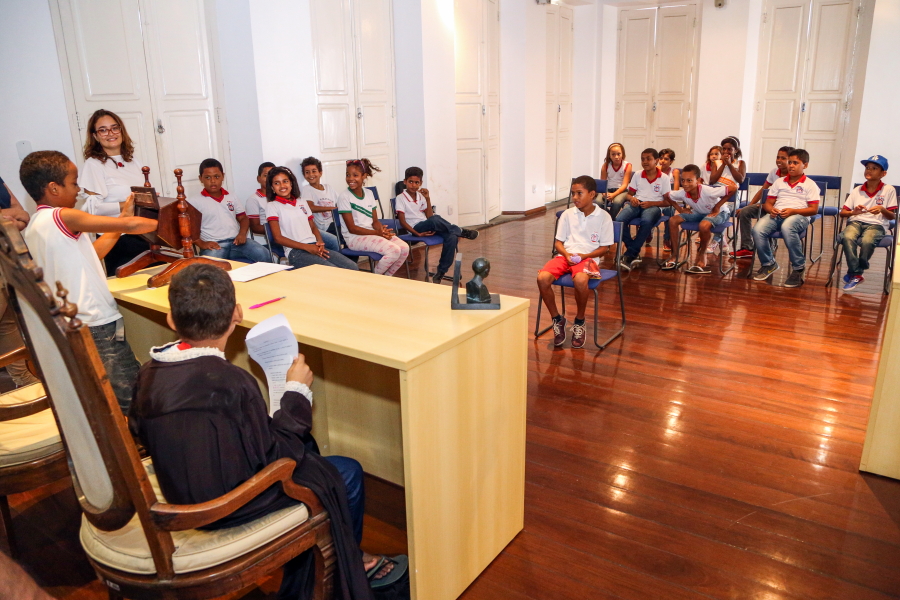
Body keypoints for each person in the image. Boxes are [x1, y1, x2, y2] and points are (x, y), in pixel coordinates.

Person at [129, 264, 406, 599]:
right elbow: (277, 457)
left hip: (178, 489)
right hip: (222, 507)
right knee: (346, 473)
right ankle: (340, 571)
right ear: (237, 314)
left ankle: (329, 559)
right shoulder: (233, 382)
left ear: (172, 320)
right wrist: (295, 393)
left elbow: (140, 430)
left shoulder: (149, 372)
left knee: (311, 452)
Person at [20, 150, 157, 410]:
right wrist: (166, 219)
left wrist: (123, 218)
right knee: (131, 392)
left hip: (81, 321)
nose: (79, 190)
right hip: (97, 321)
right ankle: (138, 433)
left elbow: (94, 253)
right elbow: (131, 227)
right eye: (73, 183)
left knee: (113, 386)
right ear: (54, 188)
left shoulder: (37, 224)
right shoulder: (64, 216)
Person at [536, 176, 614, 349]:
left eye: (579, 193)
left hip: (588, 258)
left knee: (580, 280)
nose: (575, 197)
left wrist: (585, 255)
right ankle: (557, 319)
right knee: (542, 278)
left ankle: (579, 321)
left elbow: (605, 248)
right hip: (565, 256)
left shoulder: (604, 217)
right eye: (573, 193)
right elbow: (558, 243)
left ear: (592, 194)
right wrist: (566, 254)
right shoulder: (567, 214)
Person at [78, 109, 151, 273]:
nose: (110, 133)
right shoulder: (93, 165)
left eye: (114, 128)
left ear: (121, 130)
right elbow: (92, 210)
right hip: (117, 237)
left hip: (142, 231)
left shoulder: (133, 161)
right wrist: (126, 205)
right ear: (95, 136)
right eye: (103, 130)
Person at [395, 167, 479, 283]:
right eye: (410, 182)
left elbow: (429, 216)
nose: (413, 185)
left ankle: (440, 273)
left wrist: (428, 199)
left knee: (452, 237)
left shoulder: (421, 196)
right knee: (435, 219)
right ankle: (460, 231)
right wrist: (417, 234)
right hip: (415, 228)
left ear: (421, 183)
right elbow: (402, 221)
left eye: (416, 182)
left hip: (428, 225)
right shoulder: (400, 198)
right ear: (405, 182)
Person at [265, 166, 359, 271]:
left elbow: (313, 227)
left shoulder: (302, 202)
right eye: (277, 183)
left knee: (352, 266)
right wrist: (307, 247)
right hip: (296, 252)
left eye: (285, 181)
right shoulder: (272, 206)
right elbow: (278, 238)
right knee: (333, 271)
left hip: (313, 246)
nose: (282, 185)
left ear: (291, 183)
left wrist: (320, 243)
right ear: (272, 187)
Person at [751, 148, 820, 287]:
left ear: (805, 165)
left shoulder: (810, 184)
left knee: (787, 227)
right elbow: (768, 204)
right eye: (790, 162)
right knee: (757, 230)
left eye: (795, 163)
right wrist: (771, 210)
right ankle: (768, 263)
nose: (791, 166)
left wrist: (793, 211)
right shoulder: (779, 182)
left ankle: (798, 267)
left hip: (799, 215)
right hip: (778, 214)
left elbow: (814, 209)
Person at [189, 158, 272, 264]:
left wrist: (242, 234)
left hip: (236, 242)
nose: (213, 181)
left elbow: (243, 218)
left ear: (223, 176)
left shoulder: (231, 196)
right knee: (212, 267)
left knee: (264, 254)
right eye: (207, 177)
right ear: (201, 178)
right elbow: (188, 229)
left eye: (217, 176)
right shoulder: (194, 201)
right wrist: (201, 244)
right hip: (215, 245)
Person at [337, 159, 409, 276]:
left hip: (372, 233)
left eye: (355, 175)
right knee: (394, 251)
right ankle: (373, 279)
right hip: (354, 238)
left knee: (404, 248)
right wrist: (377, 233)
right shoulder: (344, 197)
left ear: (364, 176)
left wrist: (382, 231)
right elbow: (352, 229)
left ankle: (386, 278)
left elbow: (375, 221)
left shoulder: (369, 194)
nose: (350, 179)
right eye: (348, 175)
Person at [661, 165, 737, 274]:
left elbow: (733, 188)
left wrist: (717, 206)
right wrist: (679, 209)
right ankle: (675, 256)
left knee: (704, 225)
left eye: (689, 180)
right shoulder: (683, 193)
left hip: (720, 213)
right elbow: (667, 195)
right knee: (673, 220)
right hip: (699, 212)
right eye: (683, 180)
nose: (685, 184)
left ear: (698, 180)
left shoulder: (708, 191)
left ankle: (702, 254)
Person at [840, 155, 897, 292]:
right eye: (867, 167)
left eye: (874, 168)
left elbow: (892, 216)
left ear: (883, 174)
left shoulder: (889, 190)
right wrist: (853, 212)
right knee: (847, 236)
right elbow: (843, 213)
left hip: (877, 225)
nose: (869, 170)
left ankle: (855, 271)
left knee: (867, 240)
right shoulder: (857, 190)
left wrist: (882, 209)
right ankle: (857, 273)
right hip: (856, 222)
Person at [0, 175, 36, 387]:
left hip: (9, 253)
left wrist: (10, 218)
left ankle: (23, 381)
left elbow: (22, 213)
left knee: (9, 322)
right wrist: (11, 218)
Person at [731, 146, 793, 259]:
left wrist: (767, 205)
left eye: (783, 158)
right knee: (744, 212)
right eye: (778, 157)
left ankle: (770, 246)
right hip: (769, 206)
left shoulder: (794, 175)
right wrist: (750, 205)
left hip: (783, 209)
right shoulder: (774, 172)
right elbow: (763, 190)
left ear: (791, 160)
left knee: (770, 214)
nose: (779, 160)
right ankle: (747, 248)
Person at [615, 148, 671, 271]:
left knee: (646, 222)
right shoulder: (638, 174)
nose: (645, 162)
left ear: (656, 160)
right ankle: (633, 252)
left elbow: (667, 202)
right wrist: (632, 199)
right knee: (619, 220)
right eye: (642, 159)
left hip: (654, 206)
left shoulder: (664, 178)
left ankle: (630, 254)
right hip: (637, 204)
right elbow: (628, 195)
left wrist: (651, 203)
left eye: (648, 159)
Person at [706, 136, 746, 254]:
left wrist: (729, 165)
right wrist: (723, 164)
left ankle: (715, 241)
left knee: (724, 210)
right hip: (717, 195)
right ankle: (722, 240)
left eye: (729, 149)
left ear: (735, 150)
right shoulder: (717, 163)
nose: (726, 152)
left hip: (732, 197)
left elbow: (741, 179)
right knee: (714, 209)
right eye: (724, 149)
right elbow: (712, 180)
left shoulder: (740, 163)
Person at [300, 157, 341, 253]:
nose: (311, 175)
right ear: (304, 175)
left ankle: (350, 260)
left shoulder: (328, 187)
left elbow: (340, 202)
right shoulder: (307, 189)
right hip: (324, 228)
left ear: (320, 173)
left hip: (334, 223)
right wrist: (333, 208)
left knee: (350, 230)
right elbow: (311, 207)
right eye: (307, 172)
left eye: (314, 171)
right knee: (345, 231)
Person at [600, 143, 632, 219]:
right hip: (607, 189)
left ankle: (610, 220)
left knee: (617, 202)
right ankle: (608, 217)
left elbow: (624, 185)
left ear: (622, 154)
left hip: (621, 190)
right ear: (609, 155)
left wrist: (613, 195)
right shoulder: (605, 165)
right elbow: (603, 183)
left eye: (618, 154)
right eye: (613, 154)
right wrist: (604, 193)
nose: (616, 157)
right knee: (598, 202)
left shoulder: (627, 165)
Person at [658, 148, 680, 251]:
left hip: (669, 200)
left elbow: (675, 191)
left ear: (671, 161)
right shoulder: (655, 170)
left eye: (666, 159)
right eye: (661, 158)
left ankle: (667, 238)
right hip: (656, 200)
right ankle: (647, 232)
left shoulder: (674, 172)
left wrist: (667, 200)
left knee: (669, 211)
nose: (663, 161)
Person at [246, 161, 275, 236]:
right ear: (258, 179)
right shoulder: (254, 199)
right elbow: (255, 227)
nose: (269, 178)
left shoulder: (281, 196)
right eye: (266, 175)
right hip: (273, 237)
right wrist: (278, 229)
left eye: (272, 175)